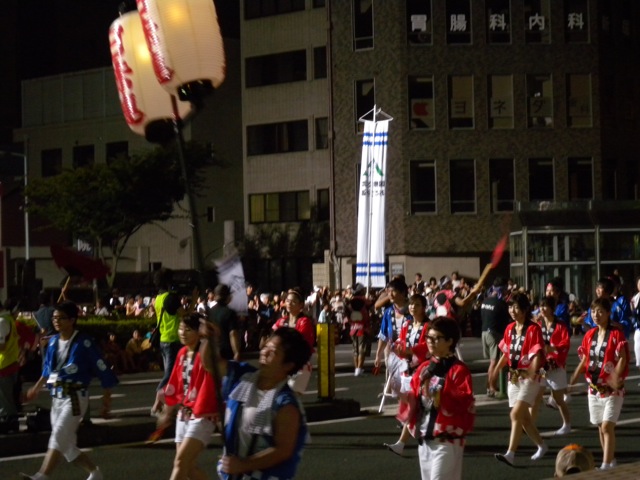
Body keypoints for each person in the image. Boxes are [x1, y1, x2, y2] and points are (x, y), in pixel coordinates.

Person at [200, 325, 312, 480]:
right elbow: (210, 364)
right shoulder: (244, 375)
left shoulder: (285, 404)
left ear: (288, 365)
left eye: (272, 352)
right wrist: (209, 339)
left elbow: (283, 451)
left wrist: (243, 465)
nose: (264, 353)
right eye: (265, 347)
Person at [21, 301, 118, 480]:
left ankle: (42, 476)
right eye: (54, 318)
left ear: (72, 320)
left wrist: (106, 402)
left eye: (61, 318)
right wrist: (36, 388)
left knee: (58, 434)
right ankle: (95, 472)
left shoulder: (84, 343)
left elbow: (102, 369)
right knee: (66, 446)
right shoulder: (53, 343)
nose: (56, 321)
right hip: (57, 397)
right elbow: (47, 370)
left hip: (74, 397)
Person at [402, 316, 475, 480]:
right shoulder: (424, 367)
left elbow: (463, 402)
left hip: (447, 442)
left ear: (450, 341)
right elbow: (413, 399)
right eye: (428, 337)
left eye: (436, 339)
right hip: (425, 441)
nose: (430, 342)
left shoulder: (459, 370)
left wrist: (436, 392)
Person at [569, 297, 629, 471]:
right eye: (594, 311)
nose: (596, 315)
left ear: (609, 313)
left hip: (612, 390)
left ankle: (604, 466)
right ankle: (610, 460)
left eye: (601, 311)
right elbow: (586, 357)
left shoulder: (616, 334)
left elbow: (623, 358)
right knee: (599, 426)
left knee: (607, 426)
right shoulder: (589, 335)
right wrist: (575, 373)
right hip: (594, 389)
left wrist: (615, 375)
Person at [157, 312, 218, 480]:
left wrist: (209, 337)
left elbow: (214, 359)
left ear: (199, 332)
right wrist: (167, 412)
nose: (182, 332)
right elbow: (175, 384)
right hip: (183, 414)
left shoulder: (205, 353)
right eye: (181, 328)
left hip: (202, 414)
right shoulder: (182, 352)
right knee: (188, 468)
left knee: (180, 462)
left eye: (188, 329)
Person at [493, 292, 548, 467]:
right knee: (524, 419)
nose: (513, 310)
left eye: (516, 307)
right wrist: (495, 371)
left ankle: (510, 453)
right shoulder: (509, 329)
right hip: (514, 377)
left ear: (525, 310)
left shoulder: (533, 329)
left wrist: (532, 372)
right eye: (511, 307)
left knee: (515, 414)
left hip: (530, 378)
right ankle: (542, 445)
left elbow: (538, 354)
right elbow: (506, 353)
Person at [384, 293, 430, 457]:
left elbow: (427, 347)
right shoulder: (407, 324)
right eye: (411, 304)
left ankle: (401, 443)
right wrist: (396, 347)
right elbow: (402, 341)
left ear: (424, 308)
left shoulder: (428, 326)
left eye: (417, 305)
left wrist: (410, 351)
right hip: (407, 370)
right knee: (415, 408)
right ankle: (418, 436)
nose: (413, 307)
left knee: (412, 407)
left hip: (422, 371)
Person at [533, 295, 571, 435]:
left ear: (552, 308)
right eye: (540, 306)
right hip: (542, 366)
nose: (542, 309)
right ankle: (531, 423)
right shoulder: (538, 324)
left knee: (558, 398)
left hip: (555, 365)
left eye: (545, 306)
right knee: (537, 393)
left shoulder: (560, 325)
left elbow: (565, 344)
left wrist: (553, 349)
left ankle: (567, 424)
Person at [272, 288, 315, 394]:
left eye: (293, 301)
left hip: (299, 366)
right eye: (287, 301)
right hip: (283, 365)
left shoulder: (304, 322)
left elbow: (297, 343)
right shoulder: (281, 321)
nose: (289, 303)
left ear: (301, 305)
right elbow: (273, 338)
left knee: (292, 396)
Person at [152, 269, 183, 414]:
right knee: (170, 374)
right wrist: (194, 300)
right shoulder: (171, 298)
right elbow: (184, 314)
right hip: (173, 339)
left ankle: (169, 405)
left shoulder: (158, 298)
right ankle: (156, 403)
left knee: (171, 373)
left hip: (163, 339)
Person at [479, 278, 510, 397]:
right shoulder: (500, 303)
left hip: (484, 332)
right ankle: (491, 387)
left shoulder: (485, 301)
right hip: (494, 333)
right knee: (495, 362)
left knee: (491, 362)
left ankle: (490, 386)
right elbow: (506, 320)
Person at [208, 284, 242, 362]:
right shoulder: (230, 313)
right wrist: (236, 352)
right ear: (228, 296)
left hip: (213, 350)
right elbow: (233, 333)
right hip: (227, 351)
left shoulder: (210, 312)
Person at [0, 305, 20, 434]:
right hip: (10, 361)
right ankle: (10, 420)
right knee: (7, 396)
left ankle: (9, 421)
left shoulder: (1, 321)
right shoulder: (8, 318)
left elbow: (1, 346)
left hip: (4, 364)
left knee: (5, 397)